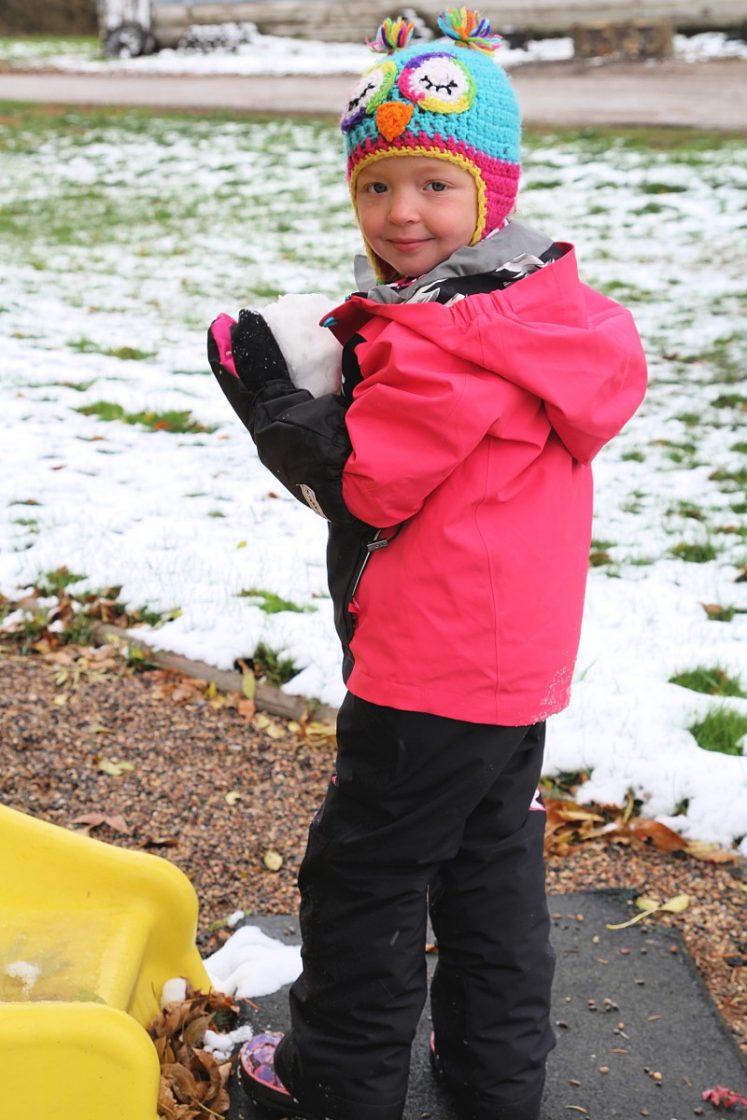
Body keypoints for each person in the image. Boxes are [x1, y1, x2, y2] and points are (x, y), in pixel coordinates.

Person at [207, 9, 648, 1120]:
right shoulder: (538, 313)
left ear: (489, 195)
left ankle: (334, 1082)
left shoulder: (445, 338)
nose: (402, 212)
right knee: (491, 874)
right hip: (516, 670)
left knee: (364, 879)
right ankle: (495, 1080)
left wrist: (274, 402)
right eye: (376, 186)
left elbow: (365, 484)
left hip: (427, 670)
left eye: (435, 186)